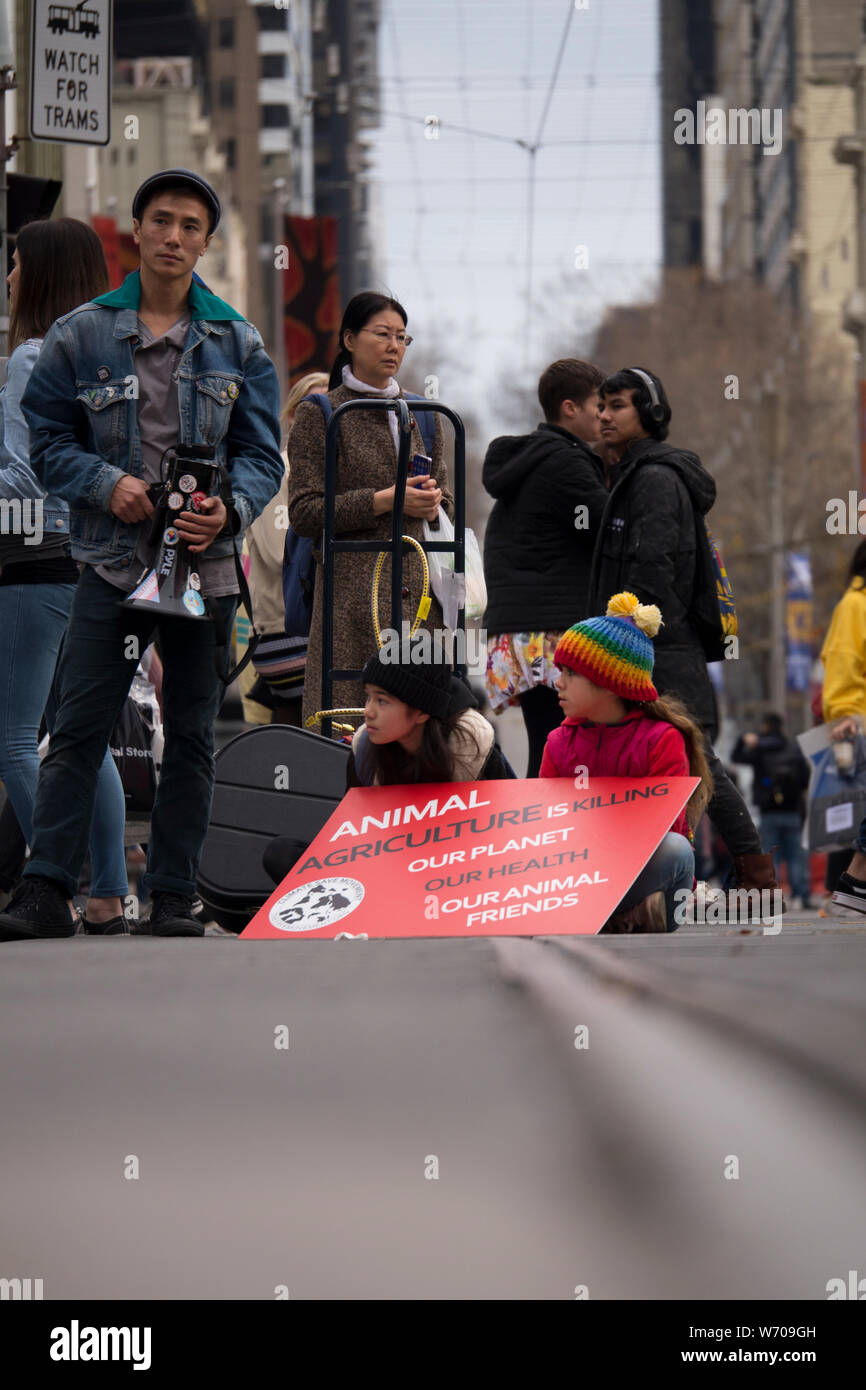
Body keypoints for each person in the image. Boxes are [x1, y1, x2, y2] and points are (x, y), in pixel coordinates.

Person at [0, 168, 283, 942]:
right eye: (162, 221)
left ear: (204, 242)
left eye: (191, 226)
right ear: (137, 231)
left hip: (207, 569)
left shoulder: (239, 340)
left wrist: (232, 508)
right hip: (112, 561)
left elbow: (264, 455)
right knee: (81, 726)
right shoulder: (82, 332)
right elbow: (50, 441)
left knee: (191, 735)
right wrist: (105, 483)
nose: (174, 237)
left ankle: (172, 896)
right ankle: (46, 892)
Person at [588, 366, 780, 907]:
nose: (604, 415)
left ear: (649, 414)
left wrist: (620, 638)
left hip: (655, 648)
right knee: (684, 764)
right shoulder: (634, 472)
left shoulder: (654, 477)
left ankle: (756, 874)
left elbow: (652, 567)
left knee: (700, 765)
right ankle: (711, 873)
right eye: (602, 405)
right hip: (649, 643)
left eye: (618, 405)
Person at [0, 217, 128, 933]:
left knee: (13, 737)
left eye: (16, 263)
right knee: (77, 734)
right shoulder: (105, 358)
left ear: (41, 272)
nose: (11, 276)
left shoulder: (29, 356)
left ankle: (47, 886)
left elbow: (23, 475)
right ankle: (109, 892)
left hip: (29, 557)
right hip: (85, 558)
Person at [286, 292, 454, 732]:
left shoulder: (427, 415)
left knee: (421, 734)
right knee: (348, 732)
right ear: (349, 339)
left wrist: (435, 505)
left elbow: (448, 503)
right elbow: (304, 512)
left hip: (420, 602)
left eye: (402, 337)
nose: (394, 345)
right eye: (382, 334)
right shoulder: (321, 412)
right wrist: (385, 500)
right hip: (349, 604)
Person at [262, 636, 512, 885]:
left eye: (382, 701)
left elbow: (506, 836)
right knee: (281, 853)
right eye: (368, 697)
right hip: (386, 868)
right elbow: (352, 837)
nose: (368, 711)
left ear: (421, 712)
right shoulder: (365, 747)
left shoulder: (472, 748)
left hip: (460, 870)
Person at [539, 592, 713, 932]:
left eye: (570, 673)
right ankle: (625, 918)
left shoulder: (662, 740)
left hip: (638, 870)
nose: (557, 682)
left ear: (609, 683)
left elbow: (670, 831)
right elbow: (546, 834)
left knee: (677, 850)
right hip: (577, 875)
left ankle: (609, 916)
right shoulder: (558, 743)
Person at [483, 358, 609, 775]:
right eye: (599, 406)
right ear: (570, 408)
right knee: (563, 747)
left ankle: (544, 834)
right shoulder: (566, 463)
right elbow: (607, 530)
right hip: (553, 633)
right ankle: (553, 836)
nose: (604, 416)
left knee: (549, 741)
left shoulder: (537, 459)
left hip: (523, 631)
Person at [239, 370, 330, 725]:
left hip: (301, 629)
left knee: (298, 734)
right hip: (288, 629)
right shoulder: (281, 471)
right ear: (294, 416)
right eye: (316, 409)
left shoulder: (323, 470)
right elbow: (282, 554)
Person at [819, 540, 866, 913]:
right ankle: (853, 883)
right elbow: (842, 662)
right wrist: (848, 714)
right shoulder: (855, 605)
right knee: (850, 812)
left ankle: (853, 884)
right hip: (859, 722)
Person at [732, 714, 812, 907]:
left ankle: (771, 895)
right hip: (792, 811)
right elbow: (805, 777)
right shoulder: (793, 748)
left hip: (768, 811)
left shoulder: (759, 748)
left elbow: (736, 757)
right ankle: (801, 896)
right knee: (795, 856)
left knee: (770, 854)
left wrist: (742, 739)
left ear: (766, 726)